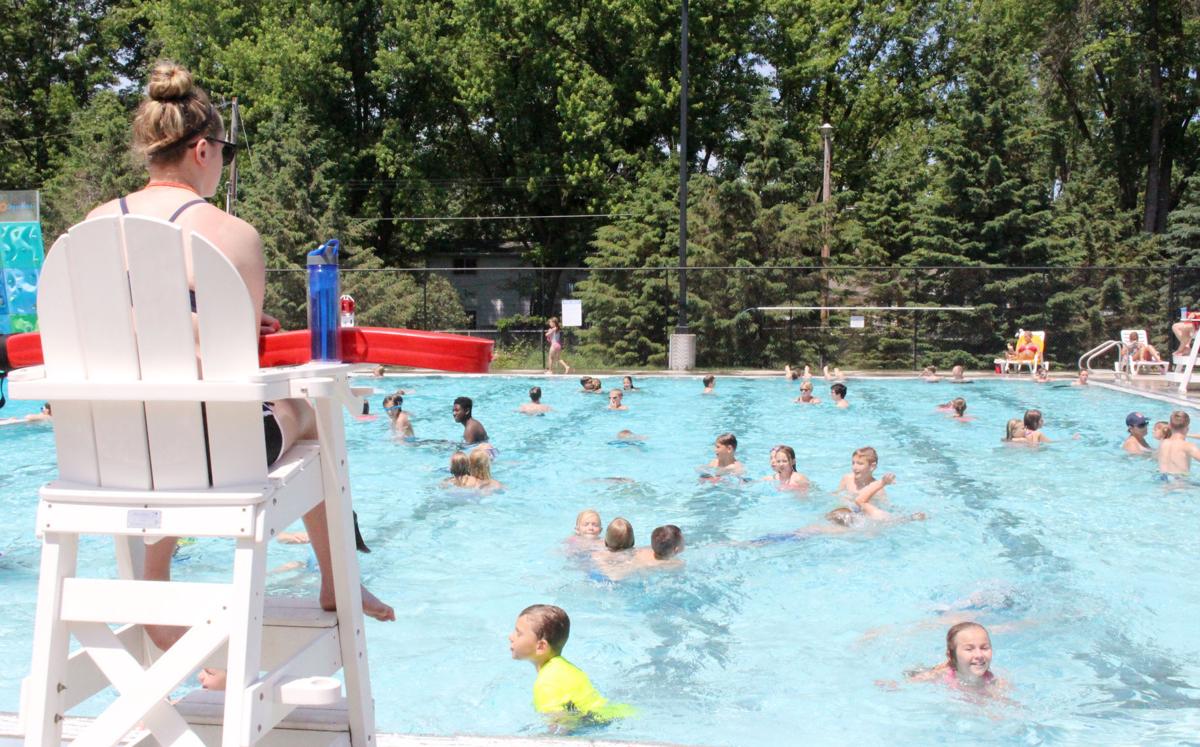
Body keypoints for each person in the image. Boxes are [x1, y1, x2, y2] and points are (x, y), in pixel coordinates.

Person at [85, 61, 393, 644]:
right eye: (224, 150)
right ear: (202, 150)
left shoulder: (91, 227)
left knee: (167, 421)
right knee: (314, 418)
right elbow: (238, 370)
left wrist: (217, 322)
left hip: (105, 452)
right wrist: (245, 330)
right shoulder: (229, 234)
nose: (224, 160)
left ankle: (155, 585)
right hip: (209, 458)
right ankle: (336, 580)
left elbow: (129, 329)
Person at [508, 604, 631, 722]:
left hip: (604, 724)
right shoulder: (563, 667)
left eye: (519, 633)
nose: (511, 637)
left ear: (541, 647)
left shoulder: (546, 684)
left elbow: (561, 727)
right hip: (618, 715)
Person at [906, 622, 1004, 692]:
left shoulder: (994, 682)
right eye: (969, 649)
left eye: (984, 648)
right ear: (950, 655)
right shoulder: (938, 676)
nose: (979, 655)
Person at [1158, 410, 1200, 476]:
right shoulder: (1188, 446)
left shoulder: (1163, 442)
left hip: (1162, 479)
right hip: (1178, 483)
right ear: (1188, 428)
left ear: (1169, 426)